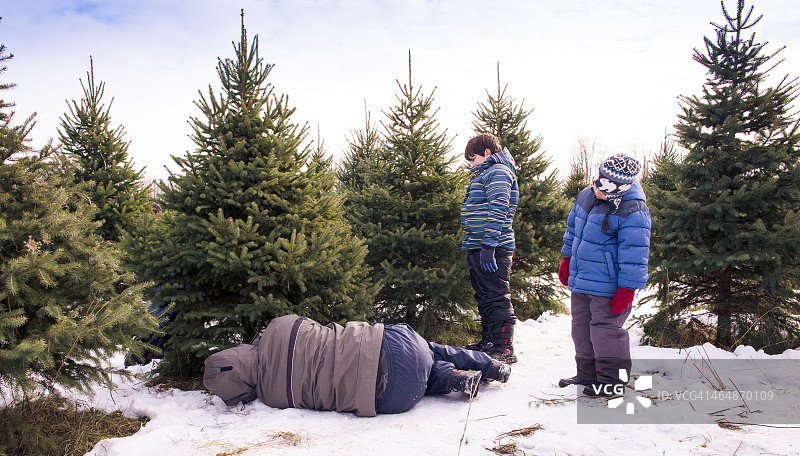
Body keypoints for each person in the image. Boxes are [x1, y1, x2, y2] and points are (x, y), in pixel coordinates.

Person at [203, 314, 511, 416]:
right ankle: (489, 365)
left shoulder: (272, 398)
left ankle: (452, 379)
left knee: (416, 377)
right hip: (393, 347)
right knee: (428, 351)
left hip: (392, 398)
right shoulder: (279, 326)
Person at [557, 153, 651, 397]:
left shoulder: (634, 210)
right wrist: (567, 258)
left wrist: (627, 288)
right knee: (580, 328)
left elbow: (635, 253)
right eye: (598, 182)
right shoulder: (586, 195)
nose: (598, 190)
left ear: (621, 188)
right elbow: (572, 230)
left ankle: (611, 381)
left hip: (608, 286)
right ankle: (587, 374)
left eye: (606, 188)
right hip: (582, 279)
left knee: (606, 332)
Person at [461, 133, 519, 364]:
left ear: (487, 153)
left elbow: (498, 208)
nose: (472, 165)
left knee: (496, 296)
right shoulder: (487, 172)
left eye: (473, 159)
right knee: (485, 296)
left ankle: (503, 347)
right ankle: (489, 342)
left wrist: (489, 245)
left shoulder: (498, 172)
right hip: (479, 245)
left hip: (493, 248)